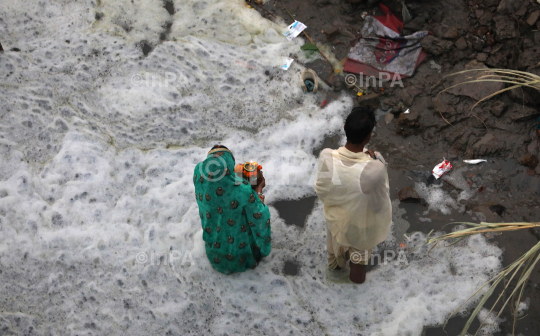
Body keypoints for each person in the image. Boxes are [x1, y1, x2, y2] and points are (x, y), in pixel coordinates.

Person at [315, 107, 392, 284]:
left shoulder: (327, 157)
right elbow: (380, 205)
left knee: (335, 260)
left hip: (337, 221)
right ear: (368, 137)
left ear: (344, 127)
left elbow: (322, 190)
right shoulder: (375, 167)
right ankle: (355, 297)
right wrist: (376, 159)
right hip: (360, 227)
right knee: (358, 267)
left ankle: (334, 283)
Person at [193, 145, 271, 274]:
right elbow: (260, 215)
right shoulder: (242, 190)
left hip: (214, 245)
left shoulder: (199, 176)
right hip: (239, 250)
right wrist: (258, 192)